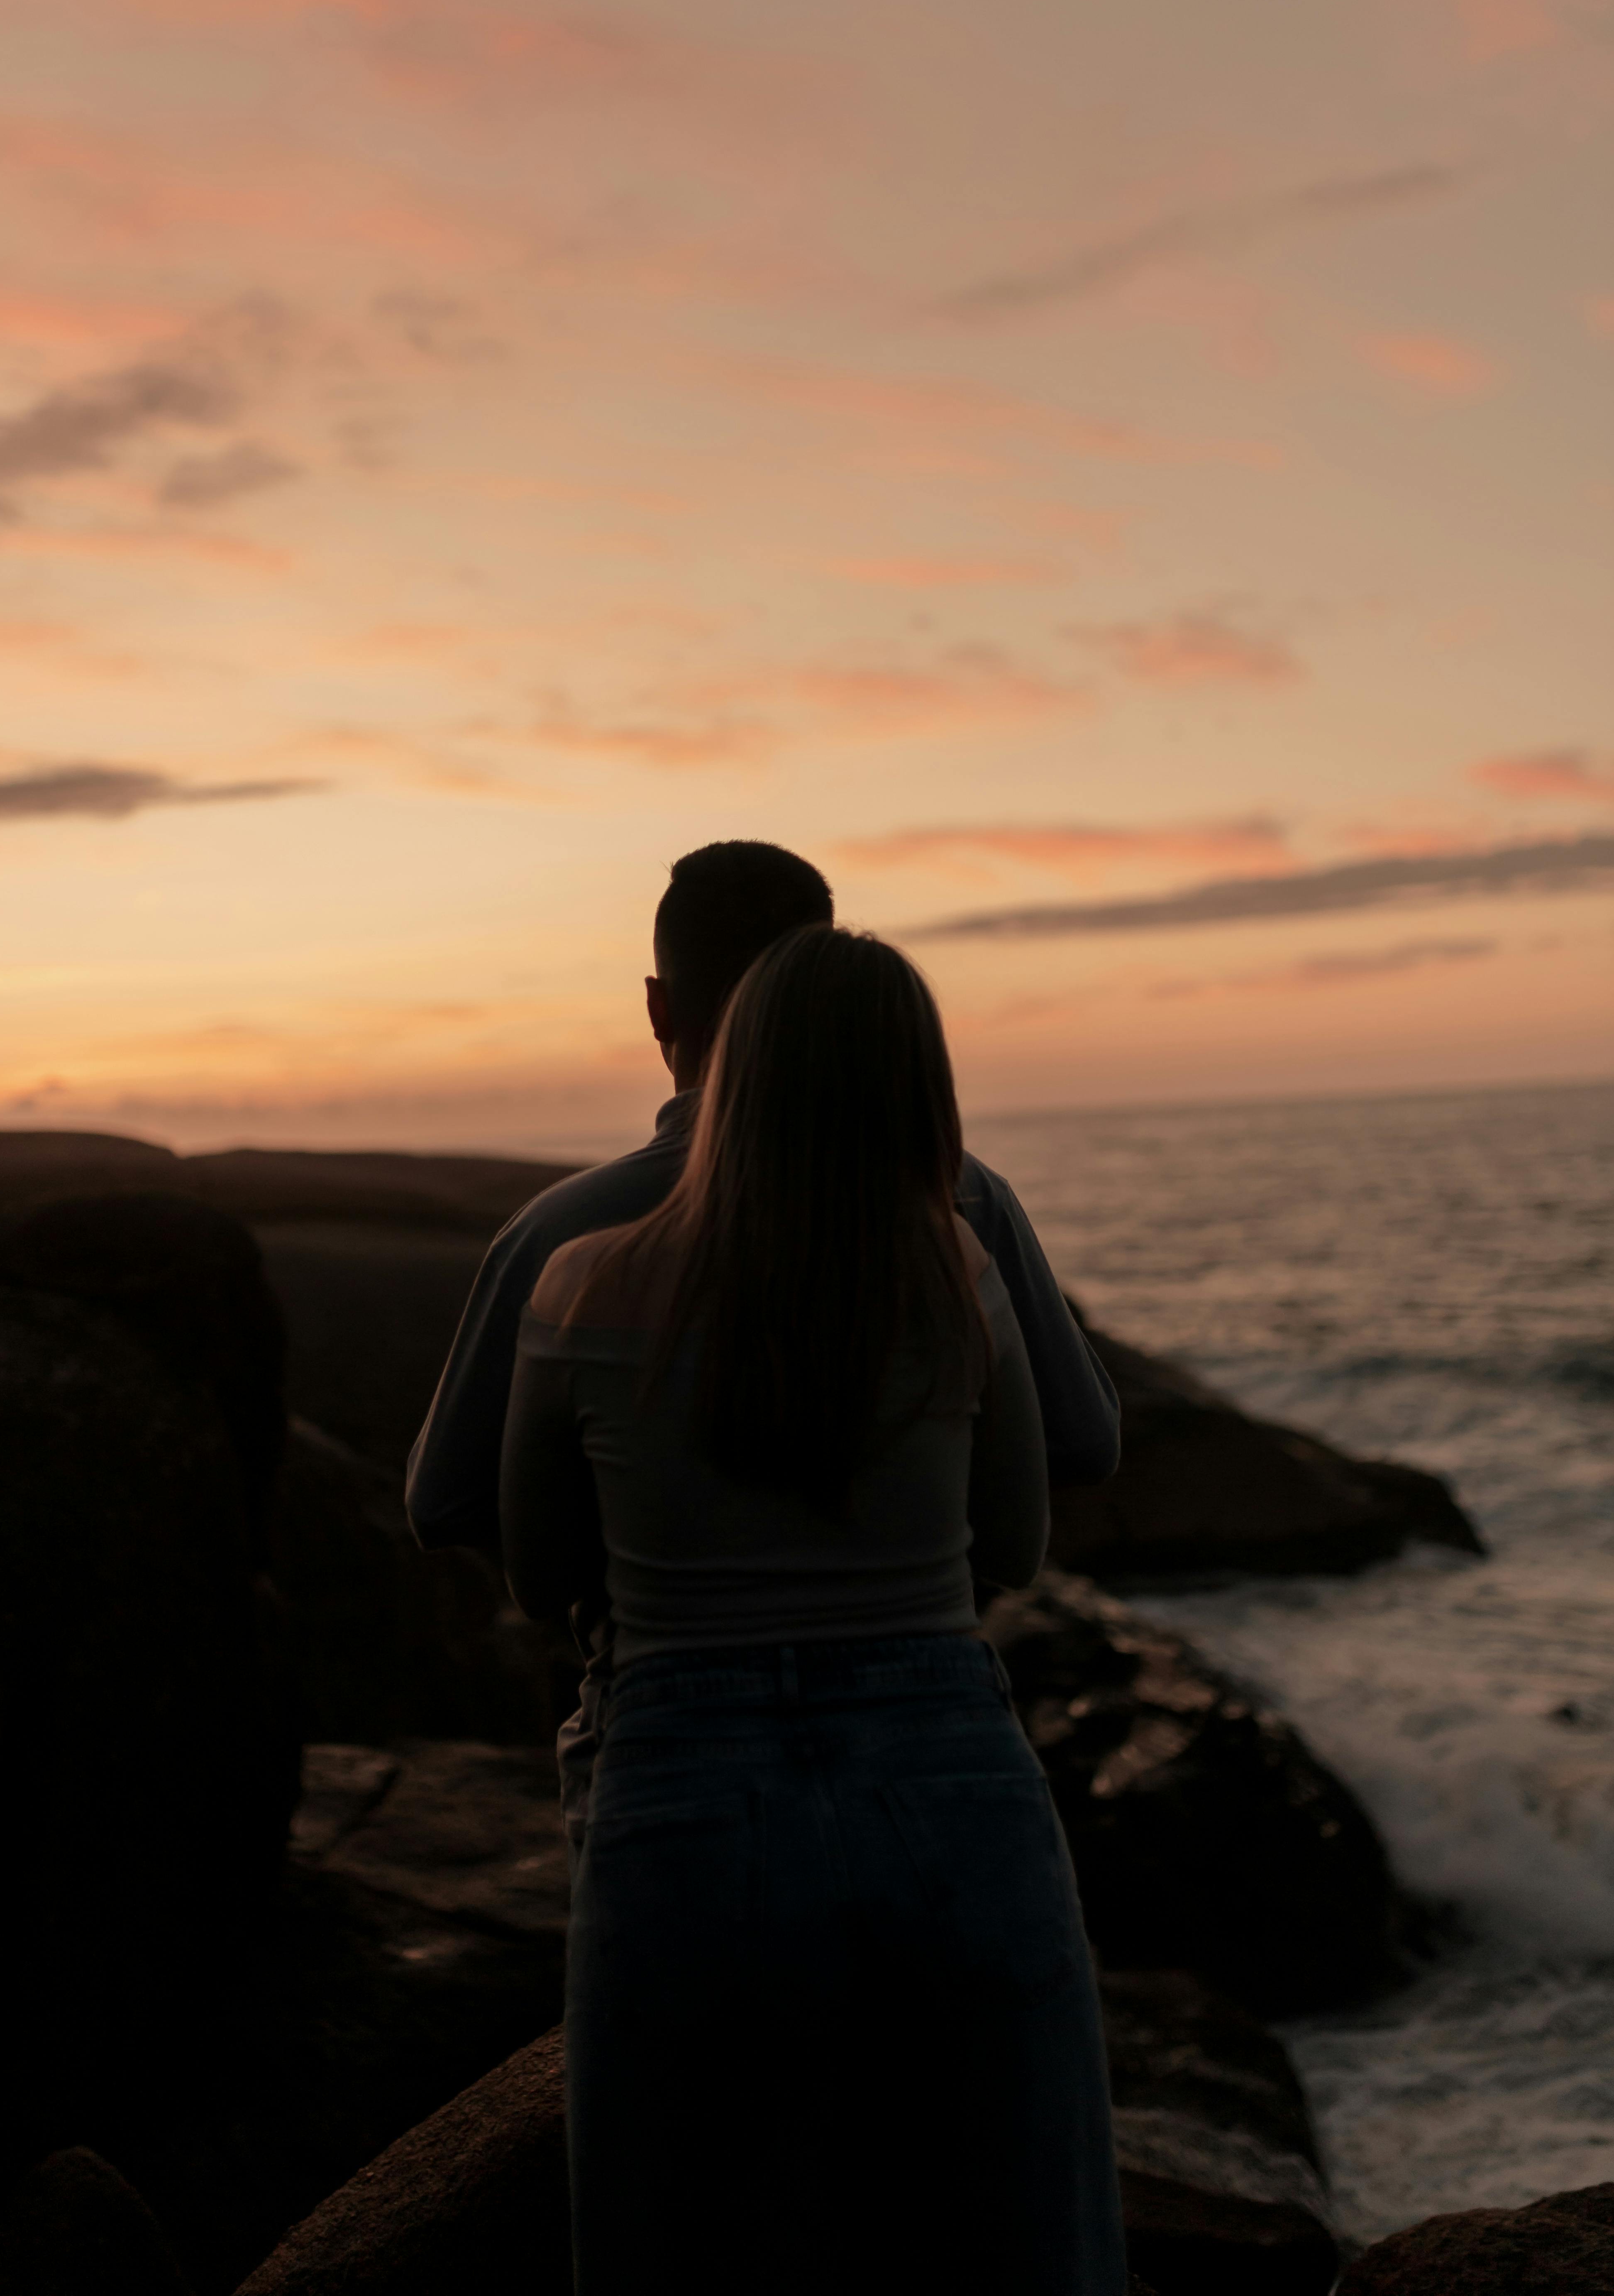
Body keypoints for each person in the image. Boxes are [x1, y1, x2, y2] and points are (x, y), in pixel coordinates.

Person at [500, 924, 1127, 2293]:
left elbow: (538, 1572)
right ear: (920, 1088)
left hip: (680, 1787)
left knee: (672, 2247)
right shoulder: (955, 1273)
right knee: (1033, 2243)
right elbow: (1014, 1548)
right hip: (944, 1769)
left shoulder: (578, 1281)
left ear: (730, 1072)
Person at [406, 839, 1121, 1848]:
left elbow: (446, 1503)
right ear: (818, 992)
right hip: (923, 1713)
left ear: (660, 1009)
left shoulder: (560, 1235)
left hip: (666, 1729)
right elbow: (1081, 1445)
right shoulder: (960, 1202)